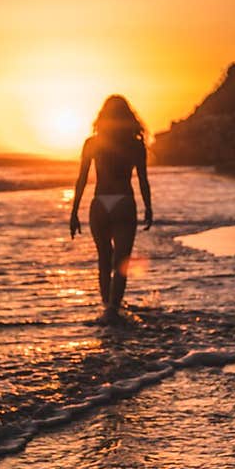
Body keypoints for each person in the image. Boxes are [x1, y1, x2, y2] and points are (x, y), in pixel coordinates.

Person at [70, 95, 153, 323]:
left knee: (104, 261)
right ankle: (113, 310)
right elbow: (143, 180)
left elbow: (82, 179)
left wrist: (74, 212)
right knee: (122, 263)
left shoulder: (92, 143)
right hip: (124, 202)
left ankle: (107, 309)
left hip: (100, 203)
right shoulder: (136, 144)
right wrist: (148, 207)